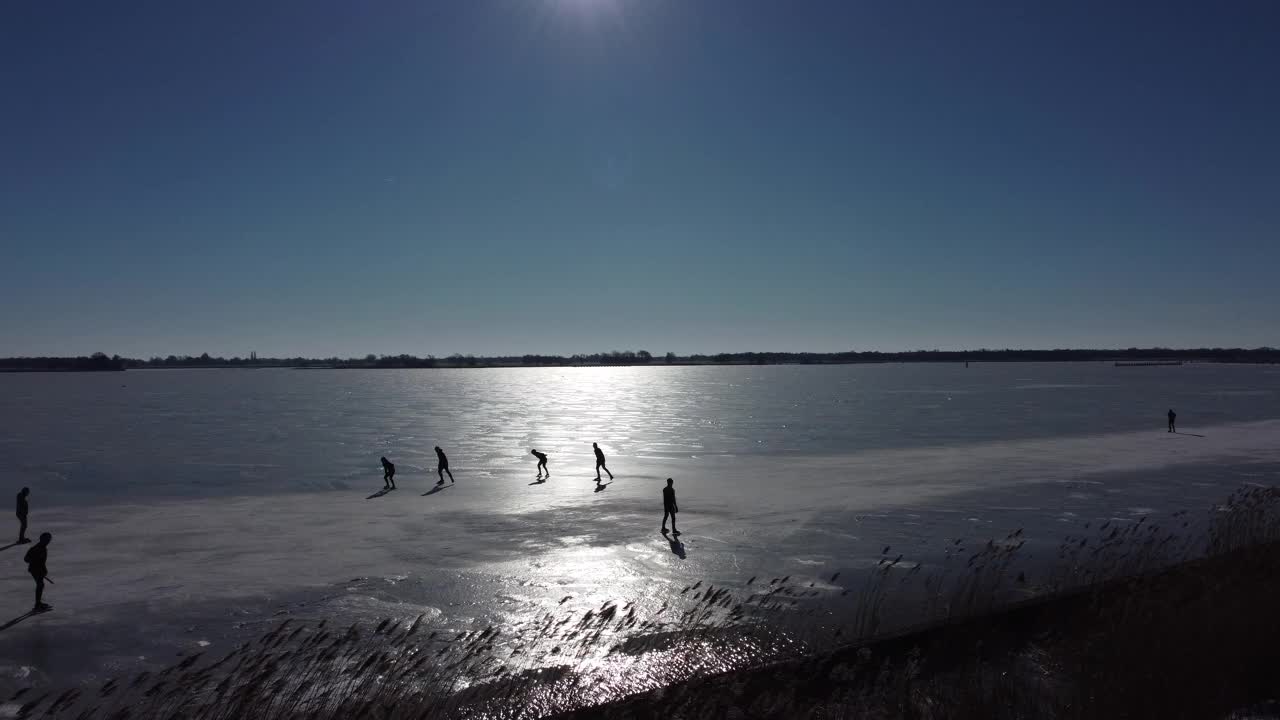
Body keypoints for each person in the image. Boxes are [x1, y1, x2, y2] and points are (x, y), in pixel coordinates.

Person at [24, 532, 52, 612]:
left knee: (40, 585)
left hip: (37, 570)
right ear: (42, 539)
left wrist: (43, 569)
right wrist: (35, 562)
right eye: (47, 539)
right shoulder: (38, 548)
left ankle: (38, 603)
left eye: (49, 539)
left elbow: (40, 561)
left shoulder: (41, 547)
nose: (48, 541)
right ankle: (37, 605)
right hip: (35, 570)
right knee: (40, 585)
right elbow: (26, 559)